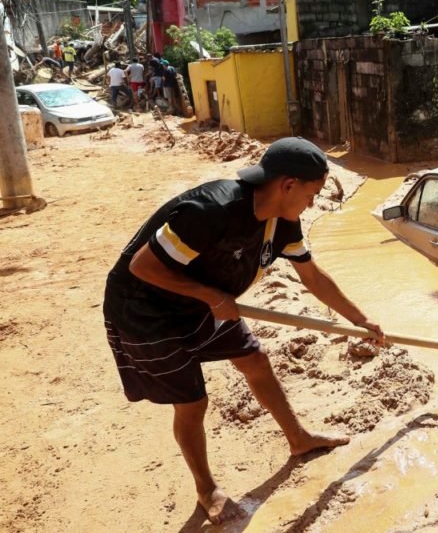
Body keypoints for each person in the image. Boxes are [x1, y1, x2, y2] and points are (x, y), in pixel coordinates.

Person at [102, 137, 383, 525]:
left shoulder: (283, 222)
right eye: (312, 193)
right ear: (287, 185)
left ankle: (298, 439)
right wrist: (208, 294)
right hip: (146, 311)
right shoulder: (211, 211)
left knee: (255, 358)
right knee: (192, 403)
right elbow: (142, 267)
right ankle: (206, 489)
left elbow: (312, 276)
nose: (312, 203)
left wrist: (360, 320)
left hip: (207, 301)